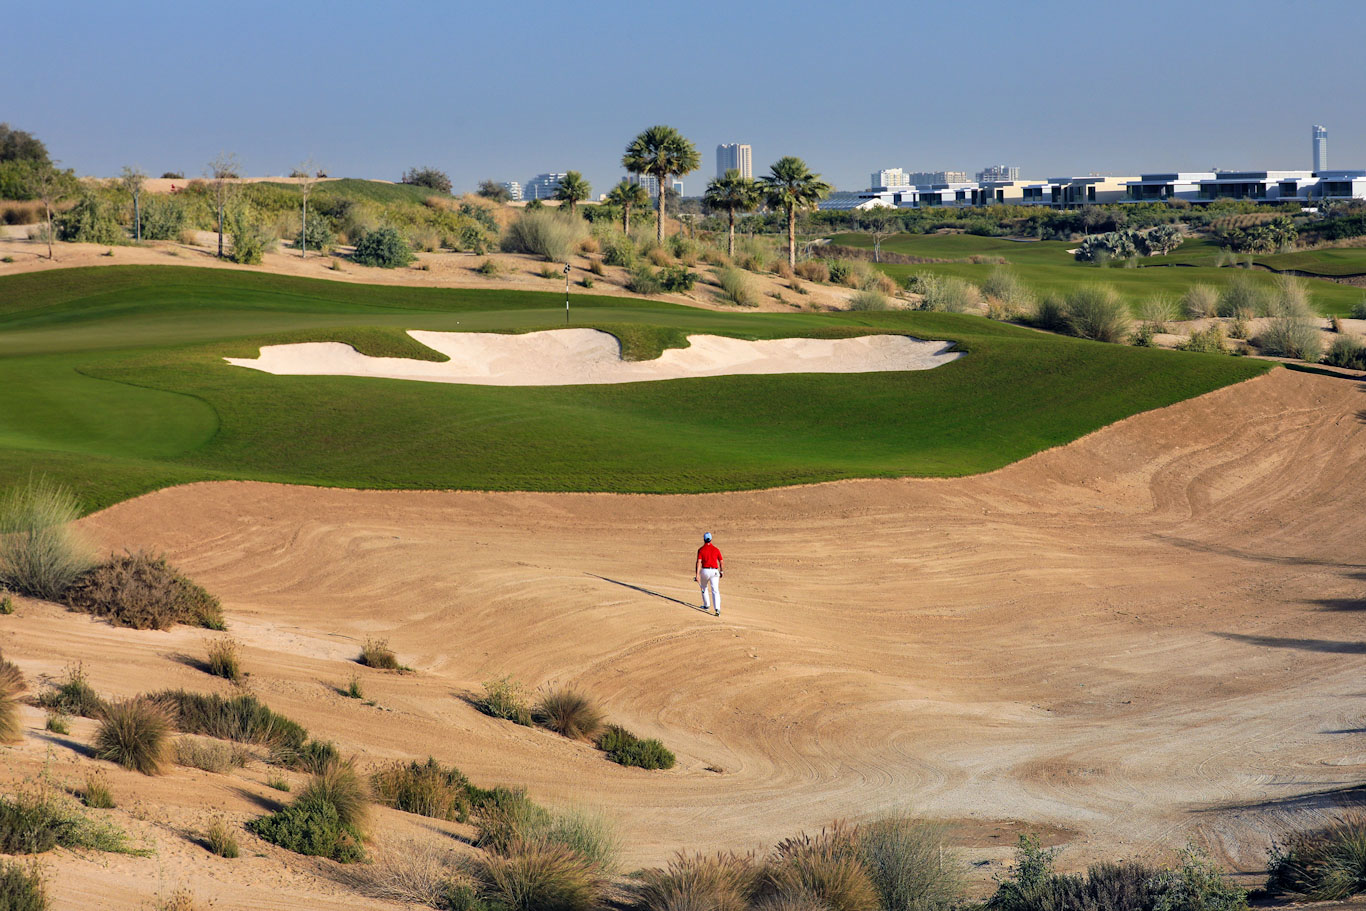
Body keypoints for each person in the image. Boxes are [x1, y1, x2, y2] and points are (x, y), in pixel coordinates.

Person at [694, 532, 724, 616]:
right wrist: (721, 571)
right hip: (714, 571)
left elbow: (699, 562)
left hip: (705, 571)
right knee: (715, 590)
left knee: (704, 587)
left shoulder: (701, 550)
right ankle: (717, 609)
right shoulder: (716, 549)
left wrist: (697, 574)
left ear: (704, 539)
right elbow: (721, 562)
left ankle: (706, 605)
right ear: (711, 539)